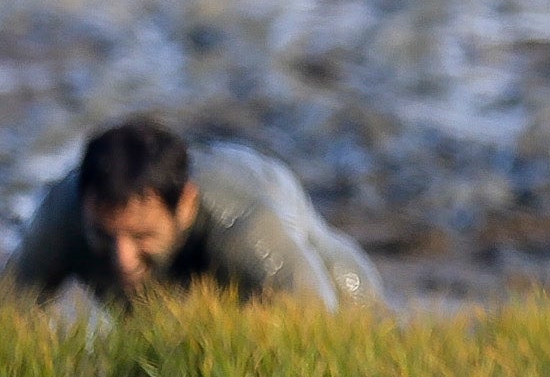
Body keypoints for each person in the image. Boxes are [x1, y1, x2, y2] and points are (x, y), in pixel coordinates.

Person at [4, 116, 386, 311]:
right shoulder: (63, 212)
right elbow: (11, 316)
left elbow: (315, 316)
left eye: (142, 237)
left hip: (320, 272)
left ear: (185, 205)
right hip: (167, 312)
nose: (122, 259)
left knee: (351, 298)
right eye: (104, 235)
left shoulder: (241, 225)